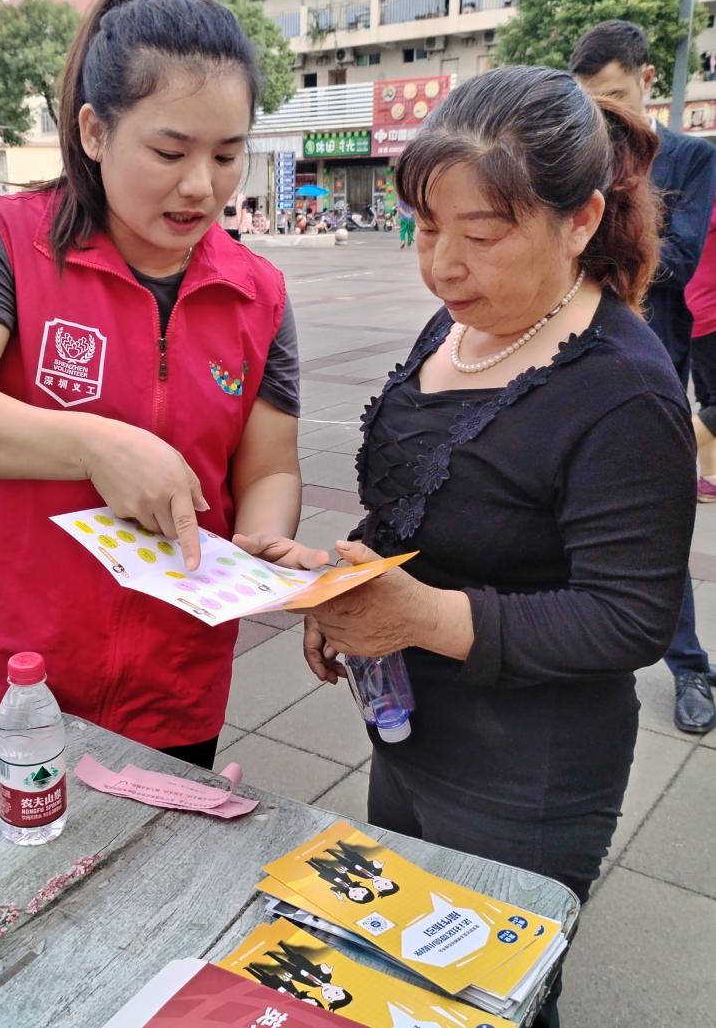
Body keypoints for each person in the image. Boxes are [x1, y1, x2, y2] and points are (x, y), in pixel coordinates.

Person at [296, 66, 694, 1028]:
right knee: (403, 976)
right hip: (410, 728)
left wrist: (418, 615)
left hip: (530, 770)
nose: (441, 267)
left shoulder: (622, 392)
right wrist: (348, 576)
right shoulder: (462, 319)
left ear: (581, 219)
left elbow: (630, 615)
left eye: (480, 235)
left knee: (483, 998)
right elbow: (430, 492)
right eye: (426, 228)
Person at [0, 0, 324, 773]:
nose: (202, 184)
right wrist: (94, 443)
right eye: (170, 151)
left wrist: (263, 537)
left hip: (175, 676)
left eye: (227, 154)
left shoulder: (255, 292)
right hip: (14, 682)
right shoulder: (2, 242)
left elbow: (267, 463)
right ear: (95, 131)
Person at [571, 19, 716, 734]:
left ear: (647, 82)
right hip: (568, 358)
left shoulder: (687, 157)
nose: (606, 118)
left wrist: (601, 241)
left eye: (617, 97)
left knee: (655, 528)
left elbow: (679, 260)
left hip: (650, 366)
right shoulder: (573, 152)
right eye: (591, 105)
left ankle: (689, 666)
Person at [687, 200, 716, 502]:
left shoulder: (703, 204)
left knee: (709, 400)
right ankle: (658, 456)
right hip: (712, 315)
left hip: (698, 314)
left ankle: (710, 479)